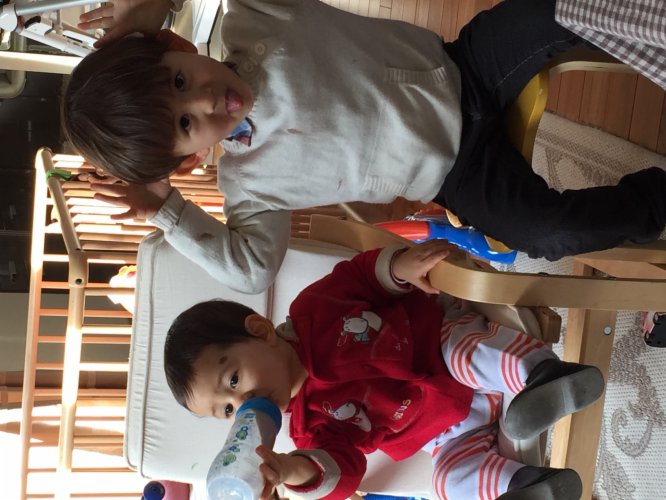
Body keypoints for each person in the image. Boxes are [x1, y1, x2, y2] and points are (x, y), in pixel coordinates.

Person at [63, 0, 666, 293]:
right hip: (460, 173)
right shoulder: (249, 184)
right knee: (547, 234)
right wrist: (166, 211)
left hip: (468, 65)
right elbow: (250, 272)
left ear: (177, 46)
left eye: (178, 80)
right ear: (190, 157)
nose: (205, 99)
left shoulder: (253, 19)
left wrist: (151, 7)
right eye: (186, 124)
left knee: (559, 7)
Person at [163, 240, 605, 500]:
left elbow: (359, 277)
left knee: (466, 351)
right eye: (226, 409)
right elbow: (344, 470)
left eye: (233, 380)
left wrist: (398, 267)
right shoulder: (307, 429)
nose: (241, 403)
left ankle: (544, 377)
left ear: (259, 331)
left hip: (440, 353)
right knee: (446, 482)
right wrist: (288, 470)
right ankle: (529, 485)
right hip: (444, 434)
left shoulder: (313, 311)